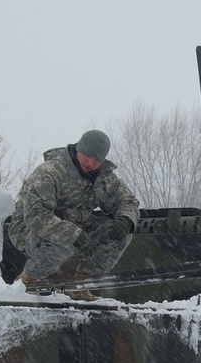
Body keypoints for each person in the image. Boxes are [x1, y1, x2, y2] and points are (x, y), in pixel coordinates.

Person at [7, 129, 139, 301]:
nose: (90, 162)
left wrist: (126, 220)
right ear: (78, 149)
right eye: (86, 155)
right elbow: (36, 215)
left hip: (78, 224)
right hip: (29, 229)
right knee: (62, 242)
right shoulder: (50, 172)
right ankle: (26, 281)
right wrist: (73, 235)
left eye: (97, 159)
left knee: (119, 235)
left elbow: (128, 202)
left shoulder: (104, 178)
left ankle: (79, 285)